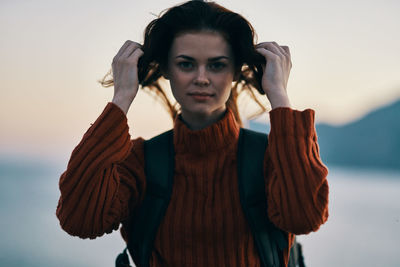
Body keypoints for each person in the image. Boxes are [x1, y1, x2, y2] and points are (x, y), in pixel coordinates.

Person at [56, 1, 329, 266]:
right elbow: (80, 220)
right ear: (166, 69)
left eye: (217, 65)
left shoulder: (273, 156)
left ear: (235, 71)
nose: (201, 77)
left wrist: (279, 95)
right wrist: (122, 97)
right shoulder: (140, 161)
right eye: (186, 64)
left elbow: (304, 217)